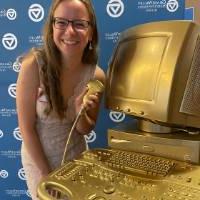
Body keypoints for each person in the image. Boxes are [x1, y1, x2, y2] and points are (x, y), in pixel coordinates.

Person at [16, 0, 105, 199]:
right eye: (62, 22)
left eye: (79, 24)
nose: (70, 31)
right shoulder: (33, 66)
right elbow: (26, 128)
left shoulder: (96, 76)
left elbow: (85, 129)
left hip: (76, 159)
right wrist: (46, 174)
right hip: (39, 160)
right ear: (52, 27)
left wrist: (78, 111)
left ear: (90, 32)